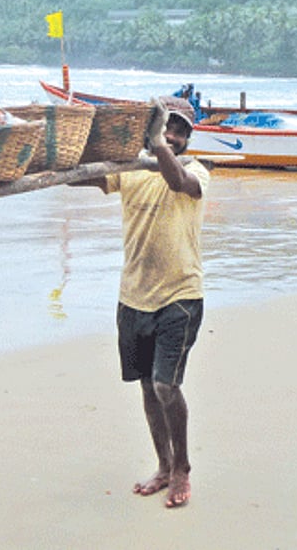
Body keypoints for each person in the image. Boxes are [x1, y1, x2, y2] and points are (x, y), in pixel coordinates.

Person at [88, 95, 209, 509]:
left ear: (189, 140)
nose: (173, 137)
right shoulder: (132, 169)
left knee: (165, 384)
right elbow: (83, 176)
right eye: (166, 128)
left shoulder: (195, 171)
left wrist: (154, 141)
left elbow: (178, 183)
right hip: (133, 297)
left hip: (180, 295)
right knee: (145, 385)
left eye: (180, 132)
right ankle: (163, 464)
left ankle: (183, 468)